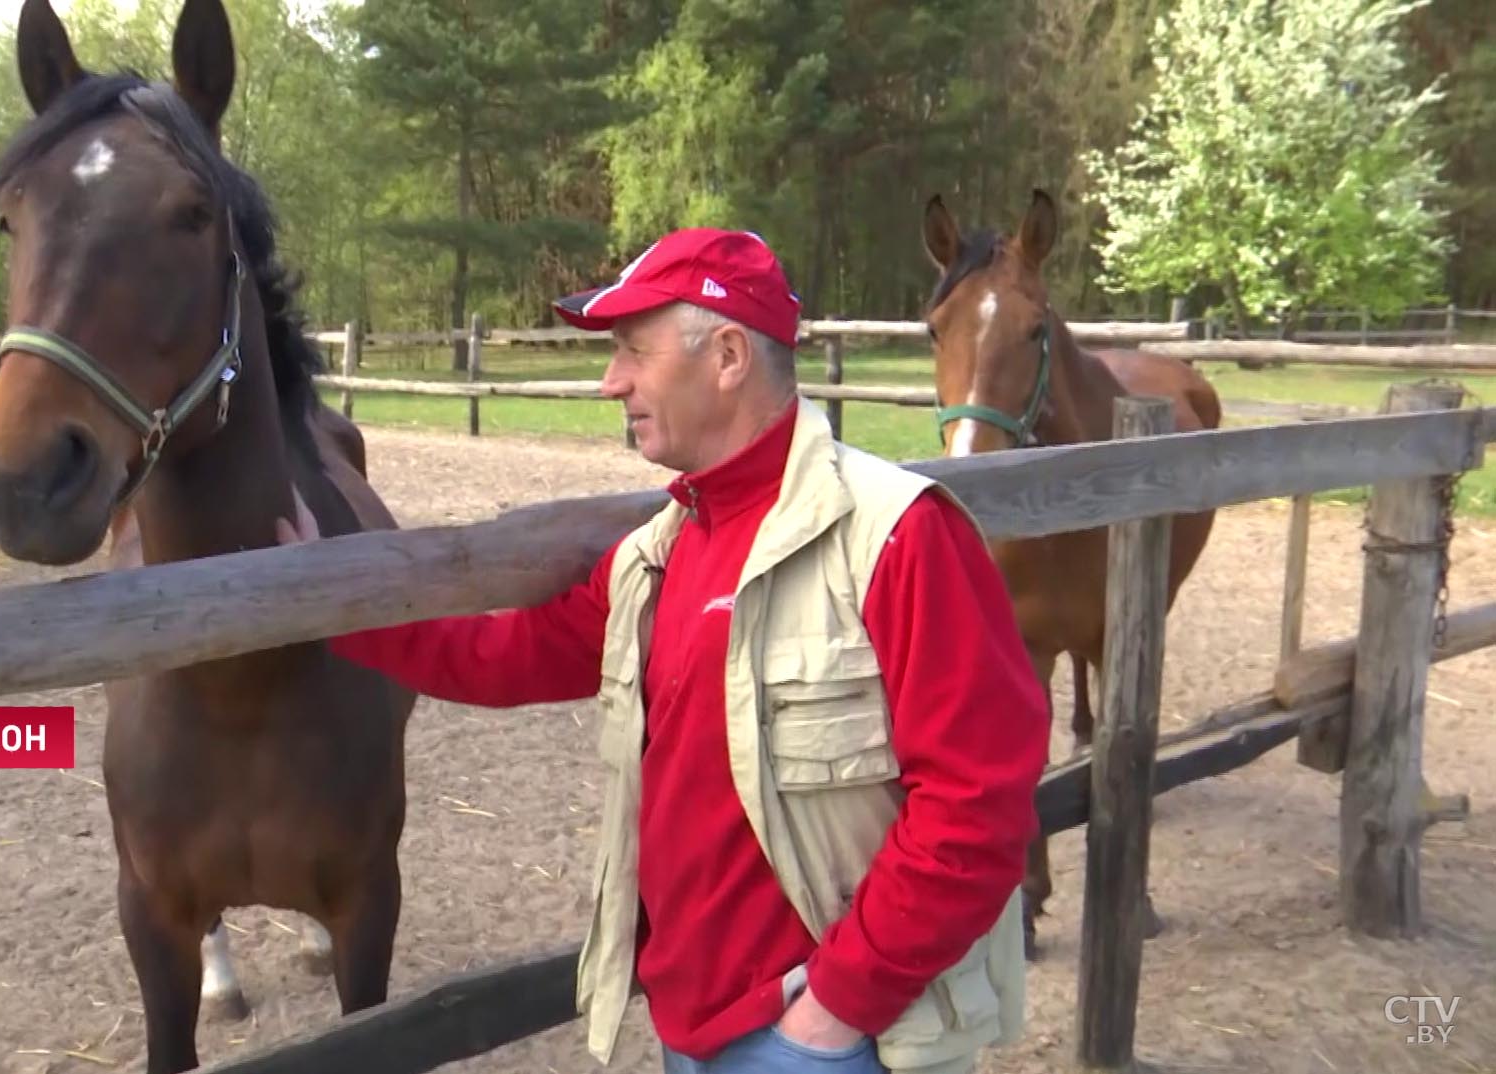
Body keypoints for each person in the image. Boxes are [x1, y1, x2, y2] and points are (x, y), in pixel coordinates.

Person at [298, 228, 1050, 1074]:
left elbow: (976, 808)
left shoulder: (898, 537)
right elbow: (505, 653)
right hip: (692, 1026)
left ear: (727, 356)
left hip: (827, 1037)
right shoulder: (661, 552)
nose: (610, 380)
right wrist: (326, 600)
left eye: (631, 351)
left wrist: (840, 1007)